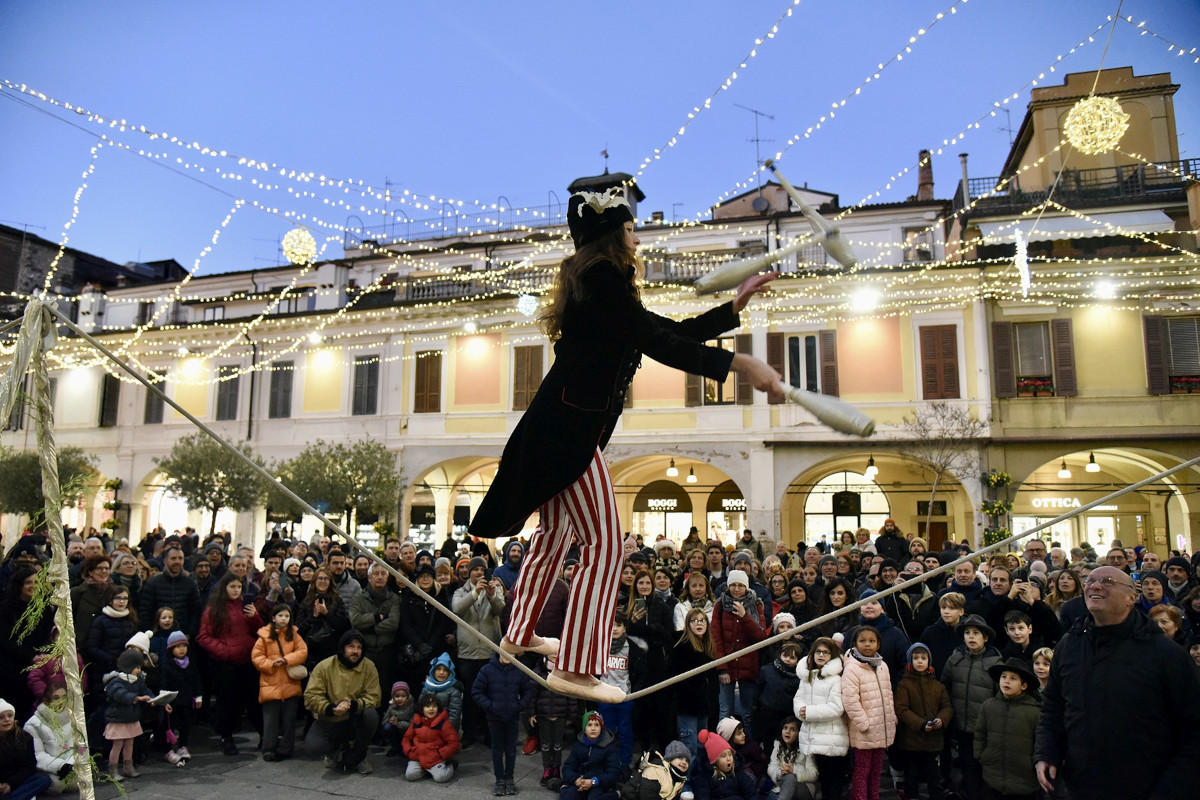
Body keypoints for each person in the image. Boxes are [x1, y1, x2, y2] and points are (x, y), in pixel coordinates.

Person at [468, 188, 783, 703]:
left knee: (554, 538)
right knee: (605, 545)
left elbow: (664, 332)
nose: (638, 237)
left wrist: (733, 308)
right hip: (567, 435)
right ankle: (575, 666)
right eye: (632, 229)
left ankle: (520, 631)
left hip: (560, 431)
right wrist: (740, 365)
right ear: (614, 236)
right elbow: (661, 343)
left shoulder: (603, 287)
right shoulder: (603, 281)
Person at [1034, 565, 1200, 799]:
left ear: (1132, 597)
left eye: (1108, 581)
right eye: (1090, 581)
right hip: (1080, 785)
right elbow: (1054, 705)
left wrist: (1172, 790)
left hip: (1147, 786)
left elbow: (1193, 731)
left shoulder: (1166, 655)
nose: (1095, 585)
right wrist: (1047, 751)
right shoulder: (1069, 645)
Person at [197, 572, 263, 756]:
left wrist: (254, 616)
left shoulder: (245, 605)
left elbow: (259, 630)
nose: (236, 590)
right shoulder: (214, 609)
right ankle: (227, 738)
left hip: (248, 660)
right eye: (232, 587)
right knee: (227, 703)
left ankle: (263, 736)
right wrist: (223, 651)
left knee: (254, 701)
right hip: (224, 664)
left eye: (239, 587)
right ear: (225, 588)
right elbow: (203, 636)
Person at [304, 629, 381, 774]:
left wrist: (354, 705)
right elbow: (311, 696)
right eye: (351, 646)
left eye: (359, 648)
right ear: (342, 647)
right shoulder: (324, 666)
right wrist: (330, 708)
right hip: (330, 718)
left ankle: (359, 756)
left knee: (371, 715)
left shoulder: (369, 666)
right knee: (313, 748)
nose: (355, 651)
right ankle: (335, 751)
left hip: (355, 716)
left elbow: (374, 697)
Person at [942, 614, 1002, 799]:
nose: (971, 636)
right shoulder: (955, 659)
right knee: (967, 765)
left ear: (985, 638)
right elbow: (945, 687)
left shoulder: (995, 663)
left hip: (985, 728)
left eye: (976, 633)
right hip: (961, 725)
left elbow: (1000, 695)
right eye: (967, 633)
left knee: (984, 766)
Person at [840, 625, 897, 800]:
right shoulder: (852, 668)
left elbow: (888, 693)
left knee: (876, 770)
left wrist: (892, 716)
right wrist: (864, 723)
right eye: (862, 641)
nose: (867, 644)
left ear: (878, 644)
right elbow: (850, 700)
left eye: (871, 641)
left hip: (882, 728)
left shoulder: (883, 666)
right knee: (862, 770)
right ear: (855, 643)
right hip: (864, 731)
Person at [975, 657, 1041, 800]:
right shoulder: (988, 705)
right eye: (1003, 677)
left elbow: (1041, 743)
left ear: (1023, 686)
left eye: (1013, 678)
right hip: (993, 776)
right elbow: (980, 733)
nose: (1006, 681)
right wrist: (981, 754)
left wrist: (1033, 765)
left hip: (1024, 780)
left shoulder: (1034, 711)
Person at [710, 569, 766, 739]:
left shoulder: (756, 604)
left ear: (746, 587)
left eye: (740, 585)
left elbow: (760, 637)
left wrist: (744, 616)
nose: (736, 589)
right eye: (733, 585)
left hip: (748, 668)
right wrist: (722, 668)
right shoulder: (720, 605)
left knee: (747, 713)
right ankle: (723, 750)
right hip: (726, 667)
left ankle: (749, 749)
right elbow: (716, 639)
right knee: (725, 712)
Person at [794, 636, 849, 800]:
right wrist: (800, 710)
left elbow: (836, 708)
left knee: (834, 781)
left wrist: (808, 712)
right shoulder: (807, 678)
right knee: (824, 780)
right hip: (814, 737)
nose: (821, 655)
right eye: (818, 651)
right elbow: (798, 699)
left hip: (832, 737)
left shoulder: (835, 679)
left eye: (826, 652)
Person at [471, 652, 534, 796]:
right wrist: (490, 706)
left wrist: (519, 706)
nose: (507, 655)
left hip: (512, 717)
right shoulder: (487, 670)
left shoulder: (519, 670)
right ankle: (499, 780)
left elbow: (528, 691)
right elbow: (476, 691)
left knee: (511, 750)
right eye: (504, 651)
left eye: (511, 652)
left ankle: (510, 779)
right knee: (497, 749)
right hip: (494, 718)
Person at [895, 642, 951, 800]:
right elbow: (901, 709)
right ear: (910, 661)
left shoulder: (938, 686)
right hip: (911, 742)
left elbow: (947, 706)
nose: (919, 661)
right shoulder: (904, 685)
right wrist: (920, 724)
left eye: (923, 658)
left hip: (934, 742)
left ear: (929, 661)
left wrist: (941, 719)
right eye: (915, 658)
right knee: (911, 778)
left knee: (934, 778)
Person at [251, 603, 308, 762]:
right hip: (270, 682)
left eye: (287, 616)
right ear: (273, 617)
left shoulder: (295, 634)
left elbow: (302, 651)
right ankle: (269, 748)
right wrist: (270, 664)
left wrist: (287, 659)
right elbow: (256, 656)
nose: (284, 619)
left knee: (289, 719)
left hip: (290, 682)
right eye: (281, 616)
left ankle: (286, 748)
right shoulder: (264, 635)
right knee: (270, 720)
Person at [670, 607, 718, 759]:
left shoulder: (708, 646)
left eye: (702, 620)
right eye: (694, 620)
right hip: (687, 706)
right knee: (690, 746)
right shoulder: (681, 647)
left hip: (704, 706)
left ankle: (699, 778)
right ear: (688, 624)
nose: (699, 623)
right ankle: (688, 779)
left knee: (702, 744)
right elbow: (675, 678)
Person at [103, 649, 152, 782]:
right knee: (117, 744)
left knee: (130, 743)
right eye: (137, 667)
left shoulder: (137, 681)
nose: (139, 670)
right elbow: (121, 695)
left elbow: (145, 690)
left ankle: (128, 766)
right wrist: (136, 698)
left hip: (131, 717)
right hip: (118, 718)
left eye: (140, 667)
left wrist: (153, 699)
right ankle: (112, 770)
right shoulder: (115, 682)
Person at [23, 683, 76, 793]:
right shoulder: (33, 724)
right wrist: (60, 766)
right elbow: (37, 755)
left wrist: (70, 766)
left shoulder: (73, 719)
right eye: (56, 698)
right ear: (47, 700)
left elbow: (77, 747)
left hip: (71, 769)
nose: (61, 701)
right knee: (55, 784)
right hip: (47, 771)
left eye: (64, 697)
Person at [159, 631, 200, 766]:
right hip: (172, 702)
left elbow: (196, 681)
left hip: (187, 700)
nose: (181, 649)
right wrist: (165, 701)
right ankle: (168, 750)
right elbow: (163, 684)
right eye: (177, 646)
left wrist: (198, 696)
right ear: (171, 649)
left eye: (184, 646)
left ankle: (183, 746)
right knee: (170, 726)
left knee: (185, 725)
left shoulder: (190, 664)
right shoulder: (167, 666)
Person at [560, 710, 622, 800]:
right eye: (589, 725)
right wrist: (575, 779)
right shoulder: (578, 745)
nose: (593, 728)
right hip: (581, 781)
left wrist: (594, 781)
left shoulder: (609, 747)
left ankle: (616, 794)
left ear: (601, 728)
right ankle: (563, 787)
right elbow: (568, 767)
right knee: (569, 796)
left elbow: (614, 772)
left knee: (594, 798)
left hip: (600, 783)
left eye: (596, 725)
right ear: (584, 728)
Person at [0, 697, 53, 800]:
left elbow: (29, 767)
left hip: (16, 782)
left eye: (9, 716)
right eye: (1, 717)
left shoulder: (24, 737)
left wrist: (10, 784)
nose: (7, 719)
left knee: (43, 779)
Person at [402, 692, 460, 783]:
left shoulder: (443, 723)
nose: (431, 709)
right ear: (422, 709)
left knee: (440, 778)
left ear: (438, 708)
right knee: (410, 775)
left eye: (434, 706)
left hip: (436, 758)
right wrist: (410, 752)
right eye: (428, 706)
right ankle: (427, 771)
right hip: (418, 757)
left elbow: (454, 743)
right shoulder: (416, 722)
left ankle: (451, 764)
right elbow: (406, 739)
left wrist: (441, 754)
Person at [690, 728, 756, 800]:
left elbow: (751, 794)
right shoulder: (705, 778)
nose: (728, 759)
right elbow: (702, 796)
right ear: (714, 761)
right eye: (723, 756)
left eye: (730, 754)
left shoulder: (739, 774)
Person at [766, 716, 817, 800]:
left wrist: (794, 770)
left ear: (799, 733)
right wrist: (780, 772)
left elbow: (814, 774)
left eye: (792, 729)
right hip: (781, 787)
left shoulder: (806, 748)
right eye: (785, 728)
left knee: (790, 777)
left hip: (803, 788)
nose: (787, 732)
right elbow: (771, 767)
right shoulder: (778, 745)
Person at [382, 681, 415, 757]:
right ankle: (395, 747)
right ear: (393, 697)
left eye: (403, 696)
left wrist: (398, 724)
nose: (400, 699)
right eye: (397, 696)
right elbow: (384, 721)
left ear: (407, 697)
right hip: (396, 732)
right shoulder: (391, 707)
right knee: (387, 728)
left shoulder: (411, 707)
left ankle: (406, 748)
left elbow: (413, 724)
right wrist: (390, 721)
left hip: (407, 732)